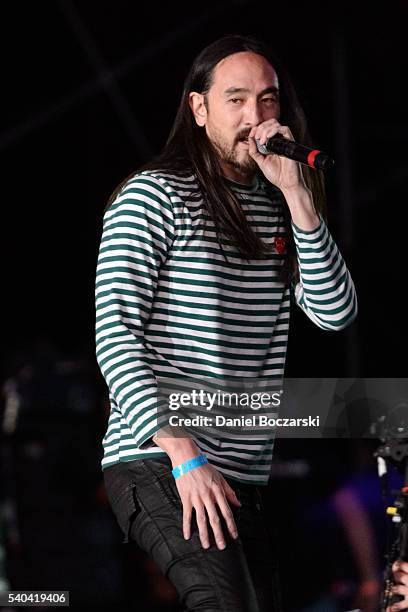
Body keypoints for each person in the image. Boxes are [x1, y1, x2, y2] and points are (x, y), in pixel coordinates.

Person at [95, 34, 358, 611]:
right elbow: (115, 335)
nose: (255, 117)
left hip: (242, 472)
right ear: (199, 109)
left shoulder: (278, 205)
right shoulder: (155, 195)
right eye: (236, 99)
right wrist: (183, 452)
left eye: (268, 100)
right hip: (161, 455)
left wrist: (298, 196)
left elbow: (334, 312)